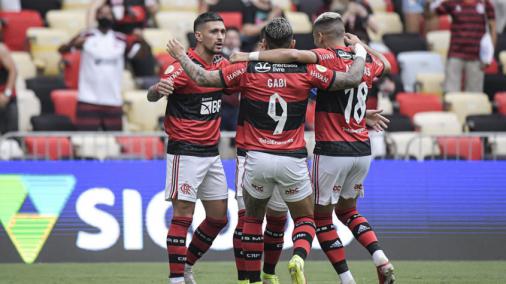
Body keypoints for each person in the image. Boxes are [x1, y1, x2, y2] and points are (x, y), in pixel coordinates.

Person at [166, 17, 368, 284]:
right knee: (303, 219)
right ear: (293, 44)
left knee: (249, 220)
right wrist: (362, 52)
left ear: (264, 43)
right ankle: (294, 261)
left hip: (254, 156)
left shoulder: (245, 68)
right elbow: (351, 79)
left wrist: (181, 55)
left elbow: (203, 77)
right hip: (292, 157)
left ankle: (253, 280)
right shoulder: (308, 71)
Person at [230, 12, 395, 284]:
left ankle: (339, 276)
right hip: (362, 148)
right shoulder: (363, 60)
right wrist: (362, 48)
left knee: (319, 219)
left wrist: (249, 57)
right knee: (348, 212)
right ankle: (380, 258)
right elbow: (386, 65)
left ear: (319, 37)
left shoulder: (325, 57)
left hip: (330, 149)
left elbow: (293, 57)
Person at [146, 12, 233, 284]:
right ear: (198, 36)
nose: (220, 36)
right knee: (183, 215)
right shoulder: (180, 67)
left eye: (222, 31)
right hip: (185, 151)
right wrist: (157, 89)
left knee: (218, 218)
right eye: (214, 31)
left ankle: (186, 266)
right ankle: (175, 280)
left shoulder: (222, 63)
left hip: (211, 152)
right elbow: (152, 95)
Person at [59, 4, 133, 131]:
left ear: (113, 17)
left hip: (113, 101)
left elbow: (141, 54)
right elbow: (63, 50)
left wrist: (141, 40)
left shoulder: (121, 39)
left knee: (114, 144)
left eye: (108, 13)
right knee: (85, 142)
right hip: (88, 99)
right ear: (96, 16)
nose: (105, 16)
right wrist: (74, 43)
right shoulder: (86, 35)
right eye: (101, 13)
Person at [425, 0, 496, 93]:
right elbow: (430, 15)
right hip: (455, 53)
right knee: (450, 91)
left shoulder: (485, 3)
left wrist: (489, 54)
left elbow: (493, 28)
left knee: (475, 93)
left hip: (476, 55)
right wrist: (428, 4)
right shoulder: (453, 2)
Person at [0, 22, 18, 134]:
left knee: (10, 139)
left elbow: (14, 71)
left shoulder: (1, 49)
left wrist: (7, 93)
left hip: (5, 99)